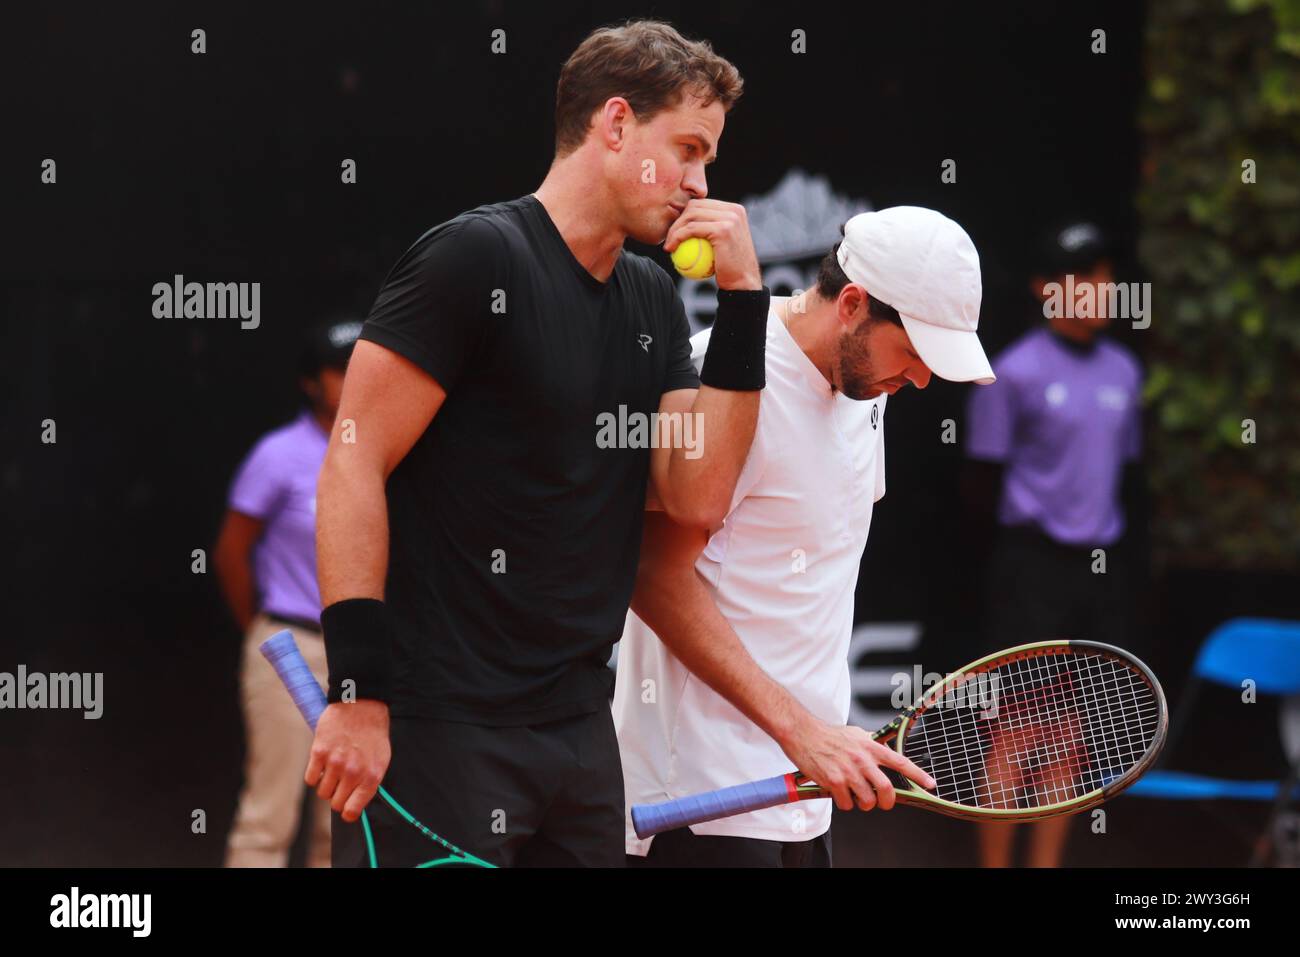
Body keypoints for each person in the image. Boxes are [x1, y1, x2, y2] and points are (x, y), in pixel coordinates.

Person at [313, 20, 773, 867]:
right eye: (688, 149)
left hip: (577, 737)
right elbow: (352, 459)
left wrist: (745, 297)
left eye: (708, 161)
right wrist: (357, 691)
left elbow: (696, 495)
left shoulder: (653, 300)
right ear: (616, 124)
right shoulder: (474, 256)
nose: (700, 184)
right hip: (438, 726)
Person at [617, 207, 997, 867]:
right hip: (701, 801)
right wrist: (802, 731)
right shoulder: (721, 372)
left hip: (804, 790)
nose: (922, 379)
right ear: (852, 303)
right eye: (913, 352)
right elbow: (651, 576)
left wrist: (816, 740)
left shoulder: (869, 388)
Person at [963, 220, 1145, 868]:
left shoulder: (1125, 369)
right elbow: (982, 484)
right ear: (1045, 288)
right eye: (1084, 277)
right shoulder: (1011, 373)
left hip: (1096, 577)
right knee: (1014, 735)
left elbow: (1120, 474)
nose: (1102, 289)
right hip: (1029, 571)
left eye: (1105, 276)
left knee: (1070, 740)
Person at [217, 318, 362, 867]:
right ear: (311, 381)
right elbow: (231, 552)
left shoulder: (389, 450)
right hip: (290, 645)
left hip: (362, 653)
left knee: (346, 815)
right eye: (338, 369)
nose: (351, 379)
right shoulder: (278, 454)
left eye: (361, 367)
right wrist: (261, 626)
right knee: (271, 812)